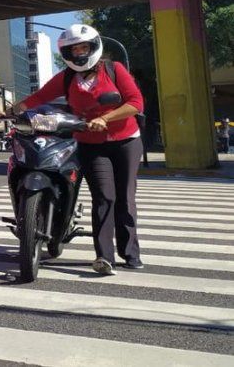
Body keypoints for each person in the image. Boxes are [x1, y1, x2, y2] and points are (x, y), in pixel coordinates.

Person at [12, 24, 145, 276]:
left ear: (94, 47)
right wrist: (10, 111)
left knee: (125, 199)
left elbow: (136, 103)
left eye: (84, 47)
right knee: (104, 197)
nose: (80, 52)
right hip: (91, 144)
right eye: (74, 49)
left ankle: (130, 253)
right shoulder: (66, 77)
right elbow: (37, 98)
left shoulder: (113, 70)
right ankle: (104, 257)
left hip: (125, 140)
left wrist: (106, 118)